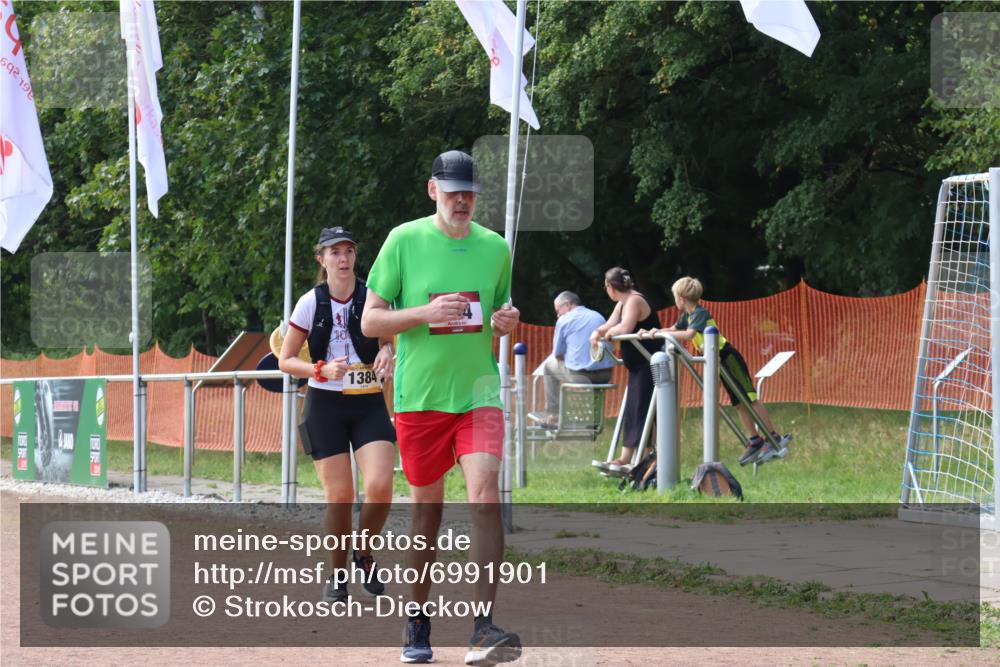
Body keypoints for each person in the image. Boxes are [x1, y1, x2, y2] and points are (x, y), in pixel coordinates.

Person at [361, 149, 523, 666]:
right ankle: (416, 619)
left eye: (469, 193)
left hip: (478, 392)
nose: (462, 201)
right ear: (433, 190)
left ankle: (483, 627)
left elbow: (499, 307)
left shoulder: (496, 247)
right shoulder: (403, 241)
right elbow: (369, 322)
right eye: (453, 192)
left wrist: (507, 320)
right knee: (426, 514)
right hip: (421, 398)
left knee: (484, 495)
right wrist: (424, 313)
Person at [277, 226, 397, 603]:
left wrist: (388, 352)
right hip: (324, 404)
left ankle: (364, 553)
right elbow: (285, 360)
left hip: (368, 402)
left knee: (379, 487)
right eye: (335, 252)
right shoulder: (310, 303)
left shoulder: (373, 297)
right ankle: (337, 572)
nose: (343, 259)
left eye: (348, 251)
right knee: (340, 497)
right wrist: (319, 370)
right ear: (322, 259)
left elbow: (391, 339)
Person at [639, 276, 791, 465]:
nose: (674, 300)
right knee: (738, 403)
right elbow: (673, 329)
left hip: (728, 358)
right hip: (717, 362)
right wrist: (651, 332)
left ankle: (772, 436)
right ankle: (755, 440)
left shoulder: (699, 313)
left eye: (675, 297)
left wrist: (661, 333)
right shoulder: (686, 316)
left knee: (749, 399)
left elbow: (688, 335)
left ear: (681, 298)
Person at [589, 267, 660, 469]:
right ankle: (630, 458)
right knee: (633, 410)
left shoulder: (634, 300)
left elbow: (625, 327)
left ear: (611, 287)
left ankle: (637, 459)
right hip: (637, 366)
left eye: (606, 286)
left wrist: (608, 333)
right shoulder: (623, 303)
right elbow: (610, 324)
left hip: (648, 363)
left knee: (641, 410)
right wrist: (597, 332)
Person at [531, 291, 615, 427]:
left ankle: (553, 414)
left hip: (581, 376)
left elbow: (557, 354)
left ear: (568, 304)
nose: (558, 315)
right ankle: (592, 417)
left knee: (548, 366)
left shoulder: (564, 320)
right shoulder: (598, 316)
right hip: (605, 375)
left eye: (558, 311)